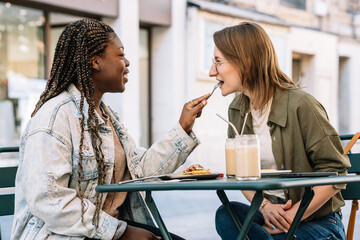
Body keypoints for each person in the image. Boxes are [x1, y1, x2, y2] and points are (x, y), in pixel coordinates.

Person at [11, 19, 210, 240]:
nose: (128, 62)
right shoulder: (54, 117)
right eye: (121, 55)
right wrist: (120, 232)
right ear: (95, 62)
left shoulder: (106, 117)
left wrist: (183, 126)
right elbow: (49, 200)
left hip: (102, 231)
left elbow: (140, 172)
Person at [210, 22, 350, 240]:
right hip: (268, 218)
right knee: (226, 215)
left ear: (245, 62)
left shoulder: (301, 105)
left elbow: (336, 172)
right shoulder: (236, 110)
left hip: (318, 223)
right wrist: (265, 207)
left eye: (218, 62)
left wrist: (293, 217)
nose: (212, 72)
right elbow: (240, 176)